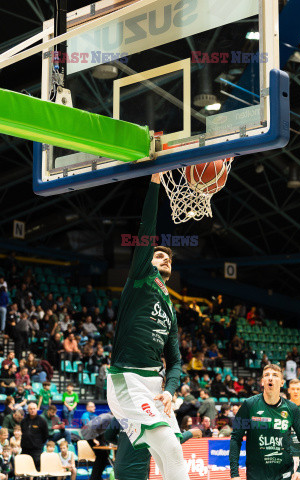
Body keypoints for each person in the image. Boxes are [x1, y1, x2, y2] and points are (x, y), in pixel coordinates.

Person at [107, 174, 189, 480]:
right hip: (127, 377)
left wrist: (169, 390)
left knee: (173, 453)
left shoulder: (170, 307)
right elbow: (147, 229)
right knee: (167, 443)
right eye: (158, 254)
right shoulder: (140, 280)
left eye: (168, 257)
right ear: (147, 260)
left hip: (156, 387)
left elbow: (177, 360)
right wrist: (155, 182)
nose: (164, 257)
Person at [230, 364, 300, 480]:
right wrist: (234, 473)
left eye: (275, 375)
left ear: (282, 383)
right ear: (262, 382)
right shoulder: (248, 405)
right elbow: (235, 438)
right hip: (256, 475)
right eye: (267, 375)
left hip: (284, 475)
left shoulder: (292, 409)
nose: (270, 378)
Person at [21, 402, 48, 469]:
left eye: (34, 409)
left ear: (37, 409)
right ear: (28, 410)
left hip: (36, 450)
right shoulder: (23, 421)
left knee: (36, 468)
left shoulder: (42, 421)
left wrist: (38, 443)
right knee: (24, 468)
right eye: (30, 409)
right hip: (25, 449)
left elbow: (45, 435)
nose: (32, 410)